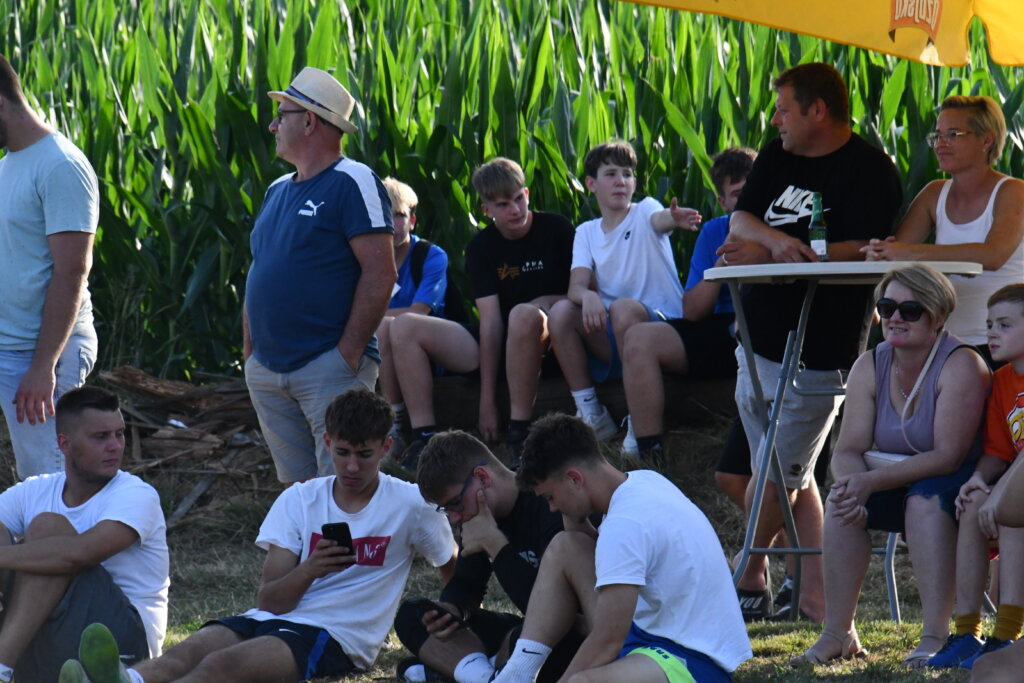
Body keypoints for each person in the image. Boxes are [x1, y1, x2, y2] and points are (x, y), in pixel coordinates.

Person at [62, 387, 456, 683]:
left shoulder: (411, 504)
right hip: (267, 619)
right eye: (342, 452)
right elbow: (269, 600)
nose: (351, 466)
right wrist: (310, 569)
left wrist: (455, 615)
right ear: (327, 443)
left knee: (219, 667)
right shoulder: (300, 499)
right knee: (181, 657)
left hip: (335, 636)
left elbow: (452, 566)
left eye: (364, 454)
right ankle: (125, 680)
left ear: (386, 447)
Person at [727, 61, 903, 621]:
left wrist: (776, 250)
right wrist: (772, 242)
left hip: (821, 350)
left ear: (818, 110)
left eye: (784, 109)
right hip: (756, 340)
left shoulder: (871, 170)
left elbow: (867, 246)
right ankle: (812, 596)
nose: (775, 120)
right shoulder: (777, 155)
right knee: (791, 475)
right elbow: (740, 222)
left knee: (776, 475)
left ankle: (744, 576)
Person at [790, 265, 990, 668]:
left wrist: (870, 482)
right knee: (840, 502)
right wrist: (853, 486)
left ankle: (934, 635)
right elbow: (847, 449)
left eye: (910, 310)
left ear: (938, 317)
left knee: (922, 501)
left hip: (964, 480)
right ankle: (837, 633)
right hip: (898, 475)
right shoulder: (870, 364)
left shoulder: (962, 364)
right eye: (886, 307)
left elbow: (948, 456)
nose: (895, 317)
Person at [489, 413, 750, 683]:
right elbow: (592, 554)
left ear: (575, 479)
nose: (552, 508)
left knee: (581, 682)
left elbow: (608, 639)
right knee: (566, 546)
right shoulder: (643, 480)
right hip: (655, 631)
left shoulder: (624, 525)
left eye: (550, 497)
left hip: (692, 660)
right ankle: (517, 674)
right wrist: (572, 512)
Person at [243, 66, 396, 483]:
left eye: (282, 115)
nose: (273, 125)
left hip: (329, 367)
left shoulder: (353, 180)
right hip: (268, 369)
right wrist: (251, 352)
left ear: (309, 121)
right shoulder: (277, 189)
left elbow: (381, 272)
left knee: (346, 486)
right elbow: (260, 267)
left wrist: (347, 355)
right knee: (299, 492)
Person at [391, 158, 574, 470]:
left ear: (527, 193)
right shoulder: (481, 247)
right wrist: (486, 401)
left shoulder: (558, 229)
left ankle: (518, 433)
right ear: (486, 210)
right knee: (404, 325)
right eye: (503, 205)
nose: (515, 210)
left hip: (550, 339)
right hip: (500, 343)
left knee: (523, 316)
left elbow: (584, 292)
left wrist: (547, 300)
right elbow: (490, 323)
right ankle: (423, 437)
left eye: (518, 199)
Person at [0, 386, 168, 683]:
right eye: (100, 437)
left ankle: (2, 663)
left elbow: (81, 554)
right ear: (64, 444)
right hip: (47, 638)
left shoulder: (136, 494)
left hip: (119, 645)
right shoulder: (36, 490)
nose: (115, 446)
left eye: (119, 434)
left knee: (48, 529)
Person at [393, 430, 587, 683]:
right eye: (445, 509)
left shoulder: (549, 502)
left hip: (569, 633)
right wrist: (450, 609)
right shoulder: (475, 514)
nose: (454, 518)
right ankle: (487, 676)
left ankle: (464, 671)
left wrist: (496, 546)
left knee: (523, 640)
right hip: (526, 635)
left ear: (482, 477)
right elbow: (466, 583)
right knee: (412, 614)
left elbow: (557, 612)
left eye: (455, 503)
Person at [548, 141, 701, 443]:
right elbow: (576, 287)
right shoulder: (586, 232)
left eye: (627, 174)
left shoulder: (646, 210)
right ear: (591, 184)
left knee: (623, 309)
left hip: (662, 330)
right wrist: (588, 296)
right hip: (616, 337)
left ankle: (637, 420)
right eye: (611, 174)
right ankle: (591, 413)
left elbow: (661, 219)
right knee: (561, 312)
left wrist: (674, 218)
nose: (621, 181)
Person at [862, 95, 1024, 365]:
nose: (940, 144)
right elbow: (895, 257)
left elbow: (993, 255)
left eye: (953, 134)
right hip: (946, 343)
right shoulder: (934, 193)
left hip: (1006, 346)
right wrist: (881, 253)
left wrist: (907, 252)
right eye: (937, 136)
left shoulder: (1013, 191)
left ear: (987, 140)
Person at [620, 147, 753, 466]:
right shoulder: (714, 231)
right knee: (638, 339)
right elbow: (692, 311)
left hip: (766, 329)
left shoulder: (785, 226)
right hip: (718, 331)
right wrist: (721, 265)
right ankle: (650, 457)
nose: (748, 198)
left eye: (754, 188)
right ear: (723, 201)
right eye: (738, 194)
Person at [0, 54, 99, 479]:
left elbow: (72, 270)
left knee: (51, 478)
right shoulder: (8, 166)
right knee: (35, 479)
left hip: (44, 355)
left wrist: (43, 367)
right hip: (12, 349)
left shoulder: (60, 165)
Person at [926, 284, 1024, 669]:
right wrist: (979, 480)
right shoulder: (1002, 381)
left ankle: (1007, 634)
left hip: (1019, 493)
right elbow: (999, 452)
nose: (992, 333)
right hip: (1015, 483)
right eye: (989, 325)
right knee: (972, 504)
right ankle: (968, 633)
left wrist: (1001, 496)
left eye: (1005, 325)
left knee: (1013, 515)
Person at [375, 177, 450, 455]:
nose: (393, 225)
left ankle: (424, 433)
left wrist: (372, 315)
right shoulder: (363, 262)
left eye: (399, 215)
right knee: (385, 328)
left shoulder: (431, 256)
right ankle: (394, 426)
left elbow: (420, 311)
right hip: (383, 349)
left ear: (413, 221)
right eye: (385, 216)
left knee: (397, 325)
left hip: (441, 346)